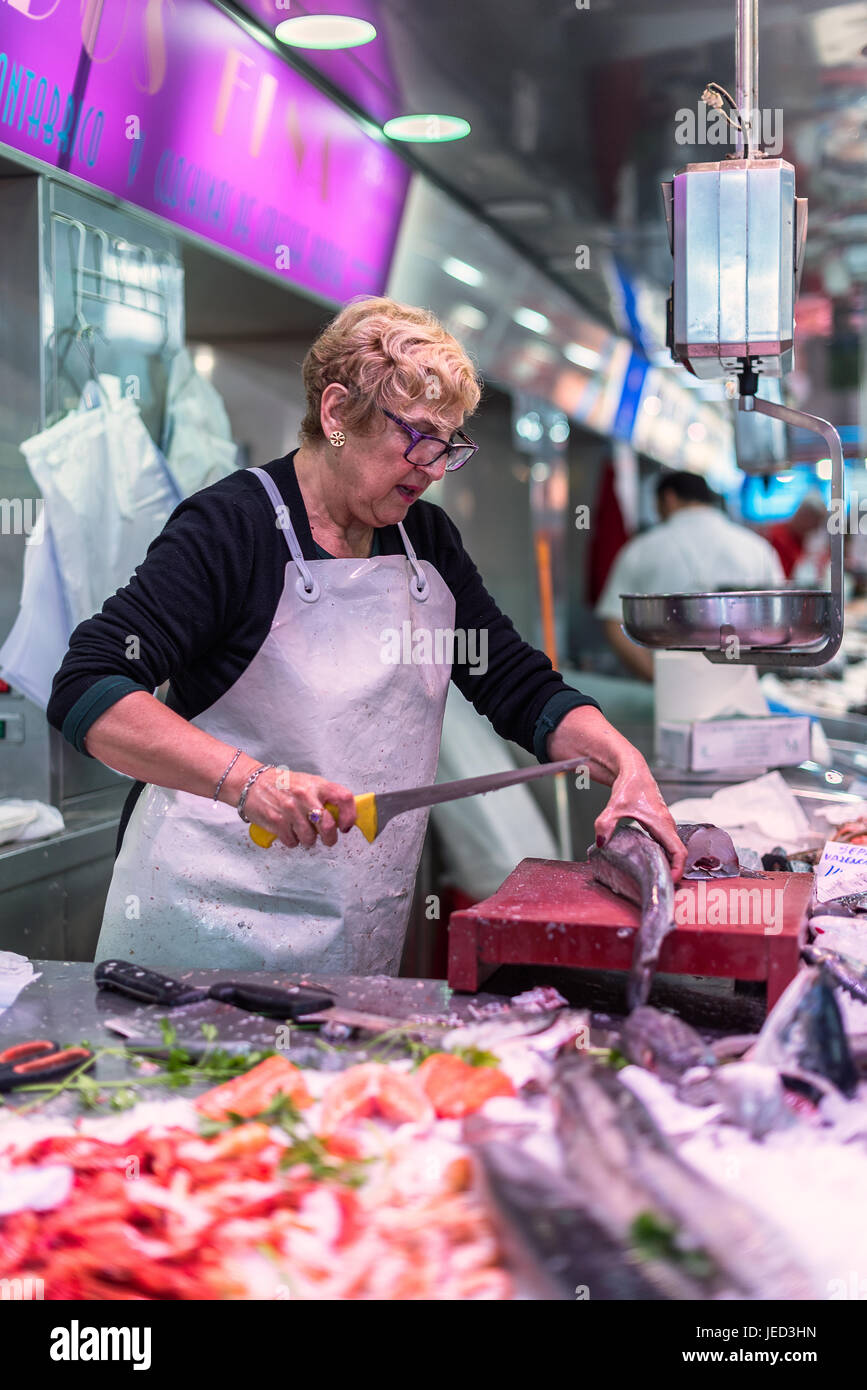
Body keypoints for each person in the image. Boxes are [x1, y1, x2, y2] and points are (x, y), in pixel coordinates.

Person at [47, 297, 685, 975]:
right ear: (335, 414)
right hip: (197, 929)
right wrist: (247, 781)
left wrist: (622, 761)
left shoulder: (425, 541)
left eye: (447, 442)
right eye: (416, 435)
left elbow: (514, 684)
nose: (434, 465)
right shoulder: (231, 528)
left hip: (349, 927)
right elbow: (88, 685)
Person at [596, 469, 785, 681]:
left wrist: (658, 680)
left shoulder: (641, 549)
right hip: (741, 686)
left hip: (664, 691)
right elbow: (778, 619)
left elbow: (614, 622)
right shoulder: (757, 548)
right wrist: (746, 678)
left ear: (669, 498)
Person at [765, 493, 828, 581]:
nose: (815, 529)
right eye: (816, 523)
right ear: (806, 517)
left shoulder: (802, 540)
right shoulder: (777, 536)